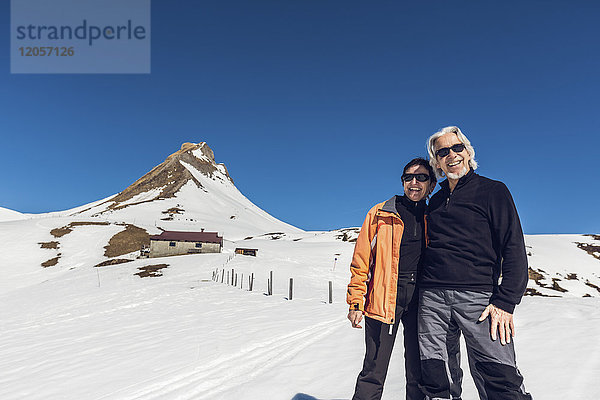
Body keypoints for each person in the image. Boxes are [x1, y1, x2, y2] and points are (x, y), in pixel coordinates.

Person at [418, 126, 532, 400]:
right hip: (432, 299)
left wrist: (506, 301)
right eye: (442, 152)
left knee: (499, 376)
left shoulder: (493, 191)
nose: (451, 155)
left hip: (480, 299)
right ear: (437, 163)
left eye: (457, 148)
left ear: (468, 152)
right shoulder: (434, 202)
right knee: (436, 378)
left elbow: (513, 245)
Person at [347, 158, 463, 400]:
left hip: (422, 302)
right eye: (408, 177)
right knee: (373, 371)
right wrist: (356, 301)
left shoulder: (436, 216)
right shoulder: (380, 213)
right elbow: (361, 261)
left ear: (431, 185)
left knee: (418, 371)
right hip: (384, 298)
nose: (414, 182)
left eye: (421, 177)